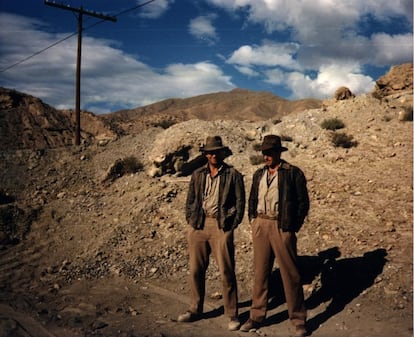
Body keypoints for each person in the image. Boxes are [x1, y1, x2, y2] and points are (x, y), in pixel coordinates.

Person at [240, 134, 310, 337]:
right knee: (260, 273)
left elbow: (302, 203)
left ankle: (298, 319)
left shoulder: (293, 173)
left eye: (270, 152)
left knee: (291, 275)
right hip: (261, 224)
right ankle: (256, 316)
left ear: (279, 152)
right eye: (264, 153)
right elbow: (252, 198)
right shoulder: (259, 174)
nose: (266, 156)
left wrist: (291, 227)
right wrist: (253, 219)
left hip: (282, 226)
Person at [177, 135, 246, 331]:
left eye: (217, 151)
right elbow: (190, 200)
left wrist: (232, 225)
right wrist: (191, 220)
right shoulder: (198, 174)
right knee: (196, 270)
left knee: (226, 271)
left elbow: (240, 203)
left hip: (221, 226)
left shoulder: (233, 174)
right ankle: (195, 308)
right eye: (210, 152)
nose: (214, 155)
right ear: (206, 155)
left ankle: (232, 314)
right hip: (199, 224)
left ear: (223, 153)